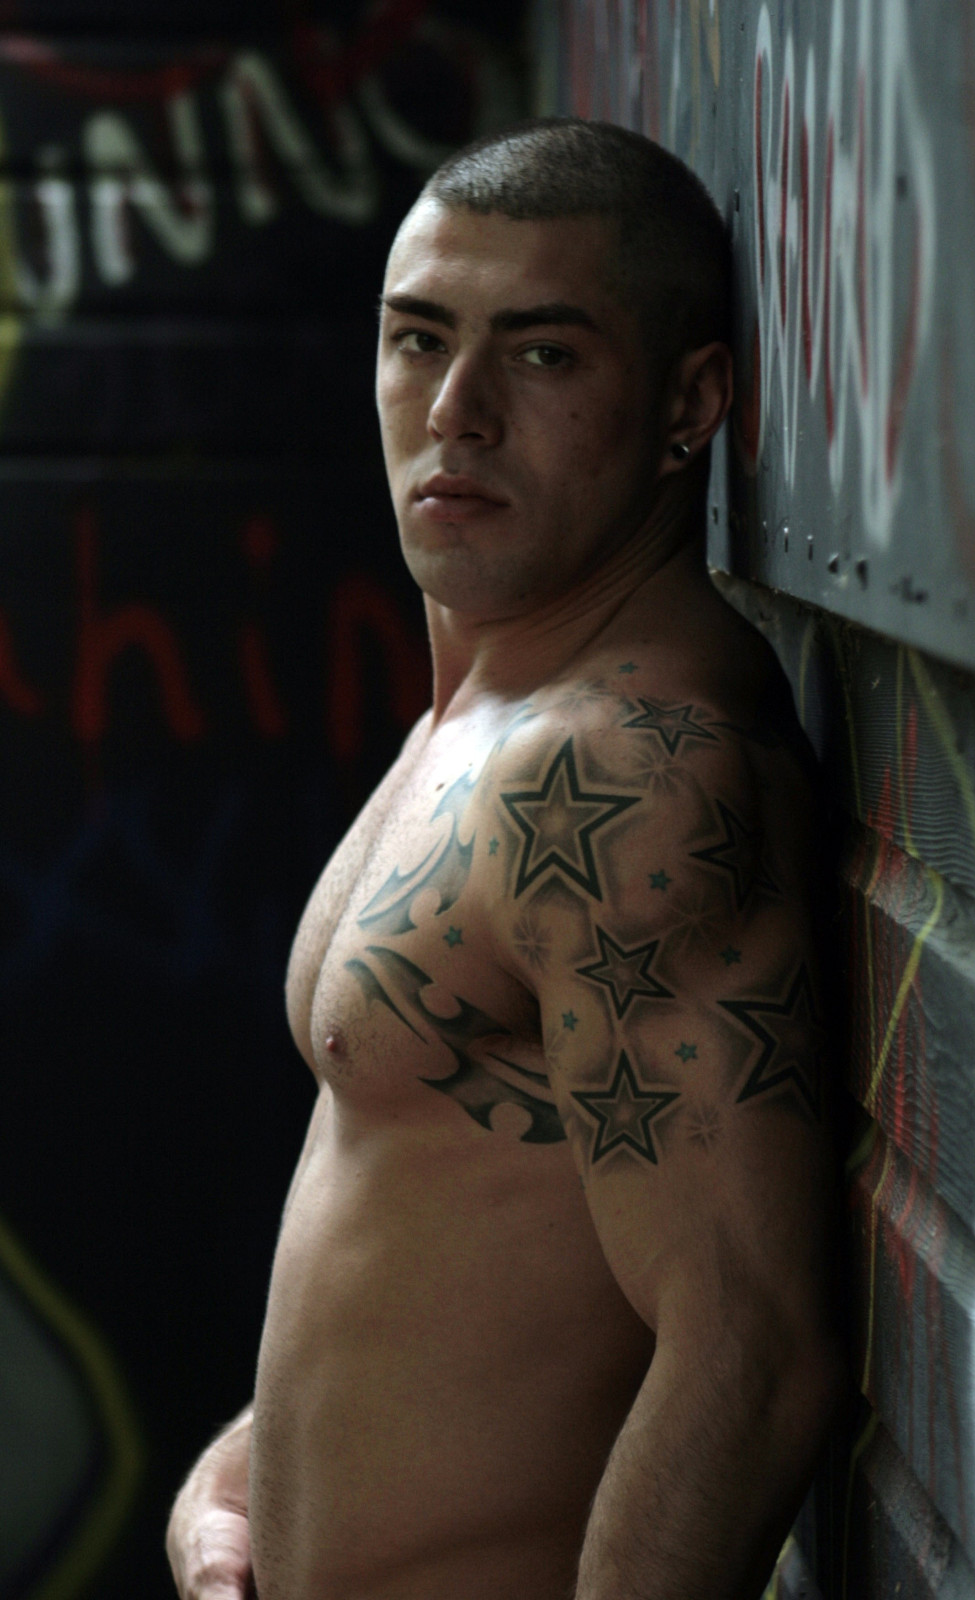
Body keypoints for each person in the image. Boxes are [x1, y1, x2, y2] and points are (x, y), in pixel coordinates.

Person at [166, 118, 843, 1600]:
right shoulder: (482, 717)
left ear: (690, 403)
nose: (455, 410)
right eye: (419, 340)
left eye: (542, 354)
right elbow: (465, 1255)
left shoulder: (619, 772)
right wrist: (243, 1478)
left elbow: (753, 1353)